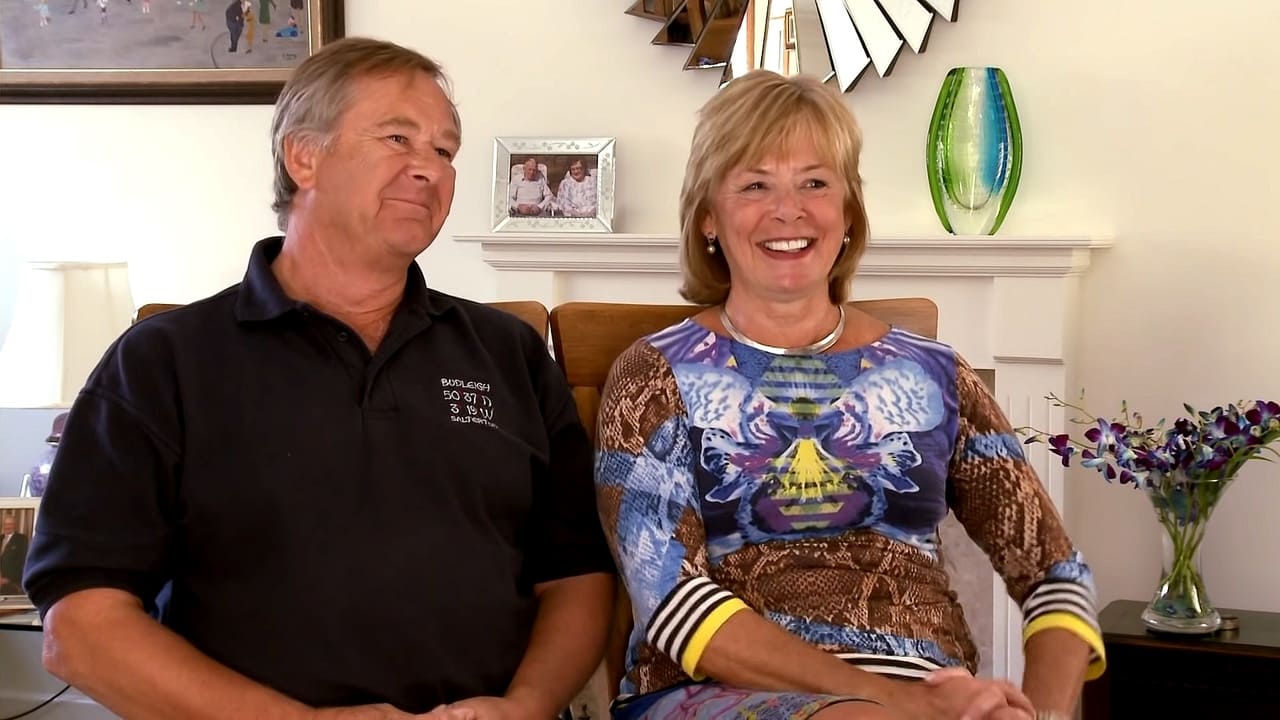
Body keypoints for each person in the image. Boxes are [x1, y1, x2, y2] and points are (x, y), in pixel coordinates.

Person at [23, 37, 614, 720]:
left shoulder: (508, 353)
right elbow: (82, 626)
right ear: (303, 157)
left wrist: (527, 706)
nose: (429, 169)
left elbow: (575, 577)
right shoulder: (162, 362)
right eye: (398, 138)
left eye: (445, 150)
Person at [593, 70, 1105, 720]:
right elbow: (674, 605)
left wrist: (1046, 714)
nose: (789, 210)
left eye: (815, 183)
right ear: (708, 218)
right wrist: (900, 702)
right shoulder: (654, 375)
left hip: (926, 696)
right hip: (713, 692)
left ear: (849, 213)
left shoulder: (936, 372)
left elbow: (1057, 574)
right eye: (755, 185)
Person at [0, 514, 29, 595]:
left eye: (10, 524)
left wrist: (8, 579)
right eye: (5, 524)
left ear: (15, 525)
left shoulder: (22, 539)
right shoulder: (0, 538)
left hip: (12, 582)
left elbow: (22, 562)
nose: (7, 526)